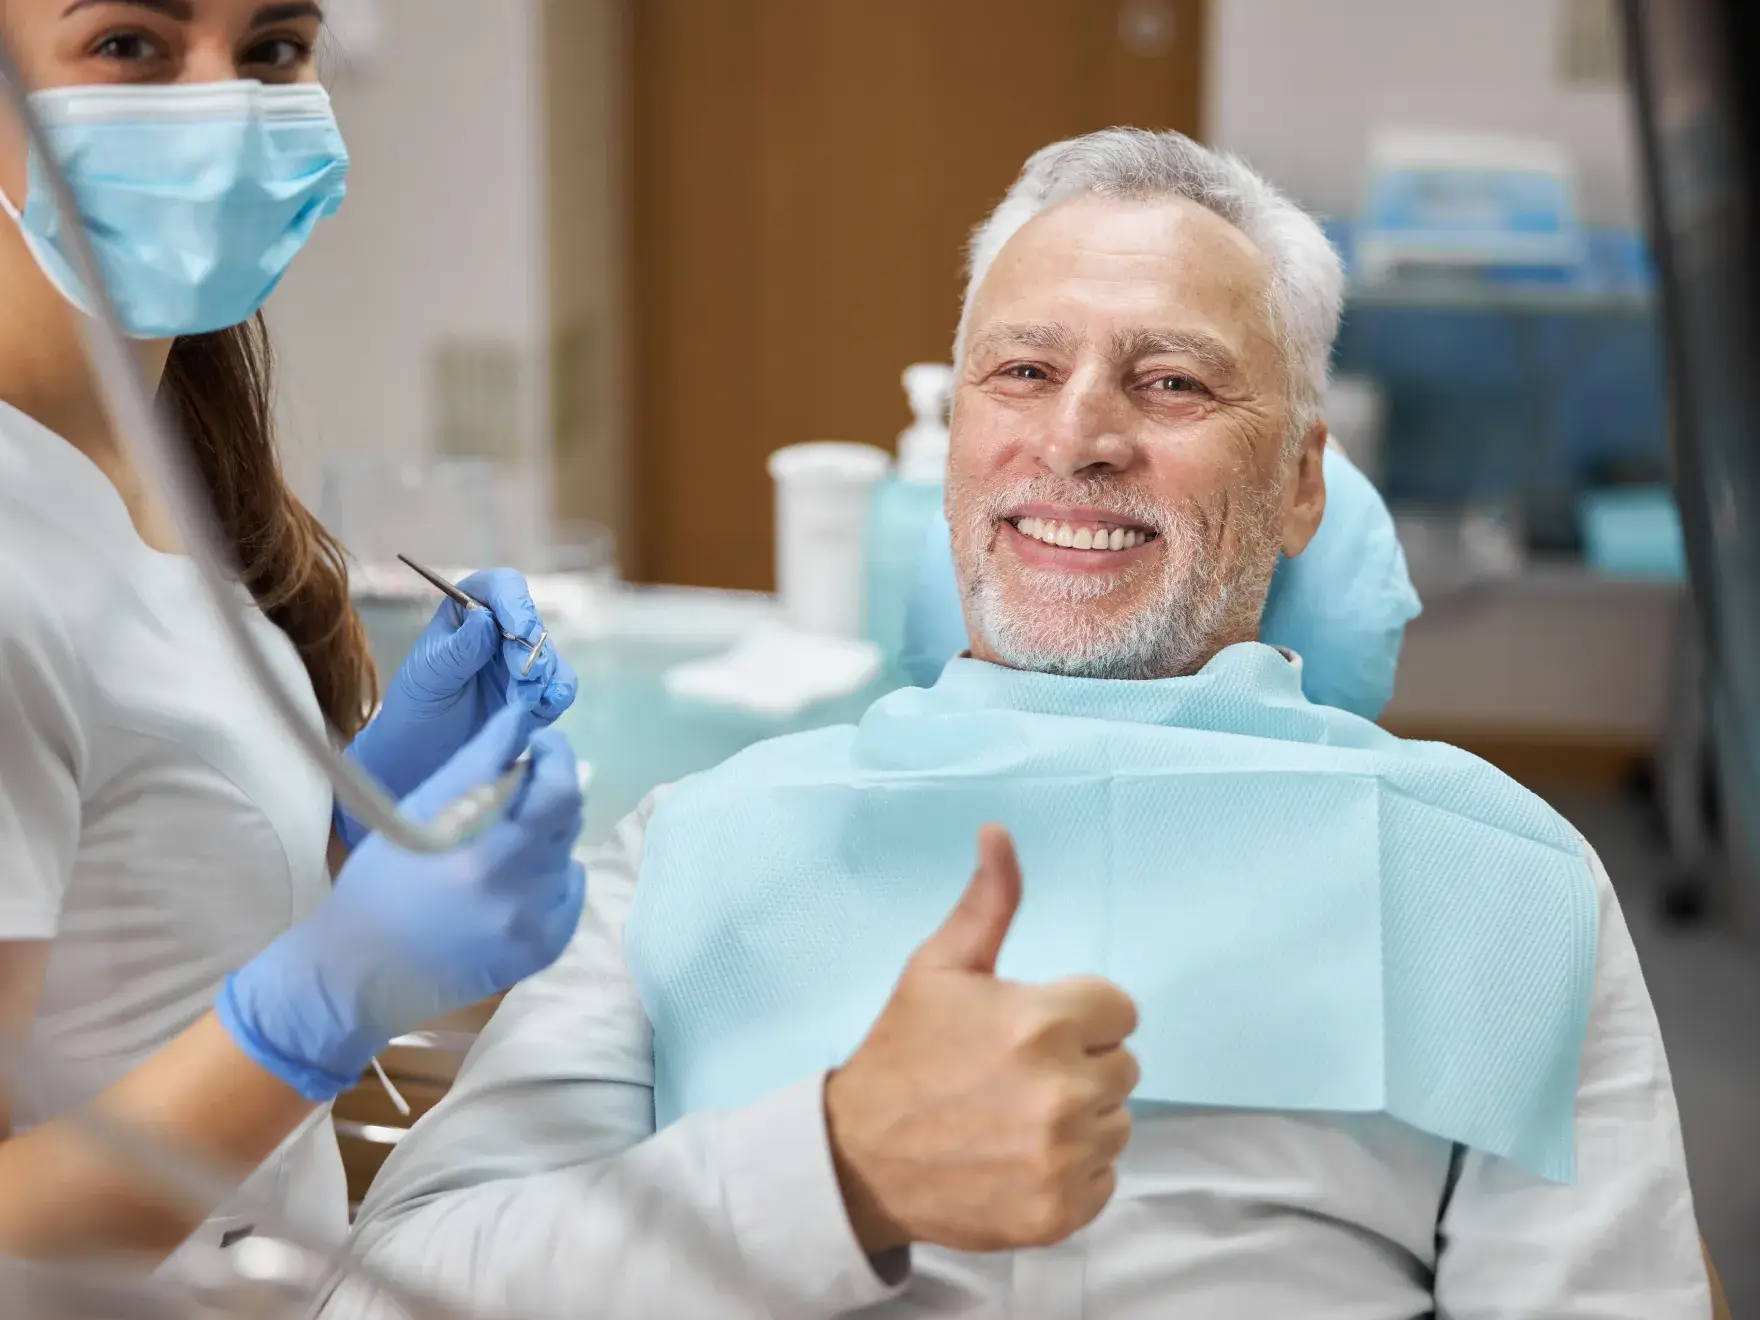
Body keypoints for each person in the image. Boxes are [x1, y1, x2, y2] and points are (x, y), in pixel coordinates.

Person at [331, 130, 1712, 1319]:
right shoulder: (693, 850)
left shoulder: (1488, 881)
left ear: (1300, 487)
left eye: (1171, 381)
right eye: (1023, 372)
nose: (1079, 437)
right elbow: (397, 1293)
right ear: (953, 450)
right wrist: (831, 1169)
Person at [0, 0, 585, 1272]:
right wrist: (315, 1010)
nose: (221, 108)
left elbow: (131, 916)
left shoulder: (152, 450)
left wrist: (353, 818)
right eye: (129, 45)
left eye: (271, 48)